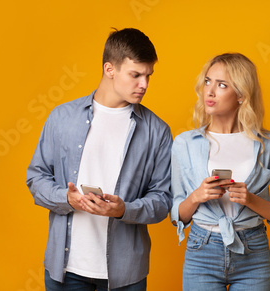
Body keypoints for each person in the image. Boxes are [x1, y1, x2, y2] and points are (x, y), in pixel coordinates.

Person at [26, 28, 173, 291]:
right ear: (110, 69)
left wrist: (124, 210)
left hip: (126, 274)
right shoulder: (62, 118)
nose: (144, 84)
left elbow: (163, 200)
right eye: (135, 75)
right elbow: (36, 178)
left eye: (148, 75)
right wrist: (66, 198)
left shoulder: (157, 131)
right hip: (66, 268)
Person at [170, 53, 270, 290]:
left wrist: (250, 200)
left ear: (241, 94)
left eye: (221, 85)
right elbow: (177, 215)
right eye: (208, 81)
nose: (209, 91)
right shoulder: (184, 144)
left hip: (253, 252)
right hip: (201, 251)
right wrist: (197, 196)